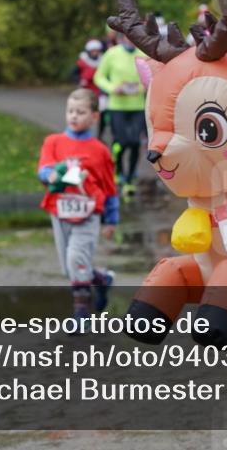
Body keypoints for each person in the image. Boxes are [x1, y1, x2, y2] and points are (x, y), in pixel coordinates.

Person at [37, 89, 118, 319]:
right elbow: (44, 168)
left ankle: (81, 316)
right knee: (69, 267)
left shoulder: (100, 151)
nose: (73, 116)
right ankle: (101, 279)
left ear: (95, 116)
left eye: (80, 112)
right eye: (70, 111)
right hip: (60, 211)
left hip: (89, 212)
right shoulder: (53, 142)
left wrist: (111, 219)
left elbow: (109, 187)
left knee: (76, 258)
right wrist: (49, 175)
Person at [94, 31, 146, 195]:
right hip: (117, 106)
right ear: (122, 38)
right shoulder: (112, 53)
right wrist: (113, 88)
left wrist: (140, 88)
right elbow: (99, 77)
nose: (131, 40)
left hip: (137, 106)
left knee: (135, 143)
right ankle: (118, 171)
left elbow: (151, 78)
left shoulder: (143, 55)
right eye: (128, 37)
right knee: (121, 142)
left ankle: (130, 180)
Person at [72, 38, 107, 136]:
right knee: (85, 113)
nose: (95, 53)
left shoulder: (104, 60)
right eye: (93, 51)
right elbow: (73, 74)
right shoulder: (82, 61)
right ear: (88, 52)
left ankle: (99, 135)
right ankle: (83, 132)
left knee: (101, 115)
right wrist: (79, 80)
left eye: (97, 51)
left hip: (100, 92)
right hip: (86, 92)